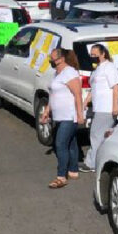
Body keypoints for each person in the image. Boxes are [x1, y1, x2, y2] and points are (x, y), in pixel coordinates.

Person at [41, 48, 84, 189]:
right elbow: (52, 95)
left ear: (61, 59)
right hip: (59, 116)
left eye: (52, 58)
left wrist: (80, 115)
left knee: (60, 144)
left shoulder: (70, 72)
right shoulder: (56, 73)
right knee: (71, 143)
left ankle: (61, 177)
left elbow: (77, 94)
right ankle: (73, 171)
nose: (50, 60)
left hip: (69, 116)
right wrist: (47, 110)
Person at [80, 44, 118, 172]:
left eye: (95, 54)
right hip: (99, 107)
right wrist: (86, 102)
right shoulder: (97, 69)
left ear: (103, 54)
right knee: (101, 136)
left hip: (106, 107)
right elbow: (94, 89)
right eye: (91, 54)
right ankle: (99, 162)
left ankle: (91, 163)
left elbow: (115, 87)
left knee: (96, 135)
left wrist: (114, 106)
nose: (93, 57)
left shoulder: (109, 67)